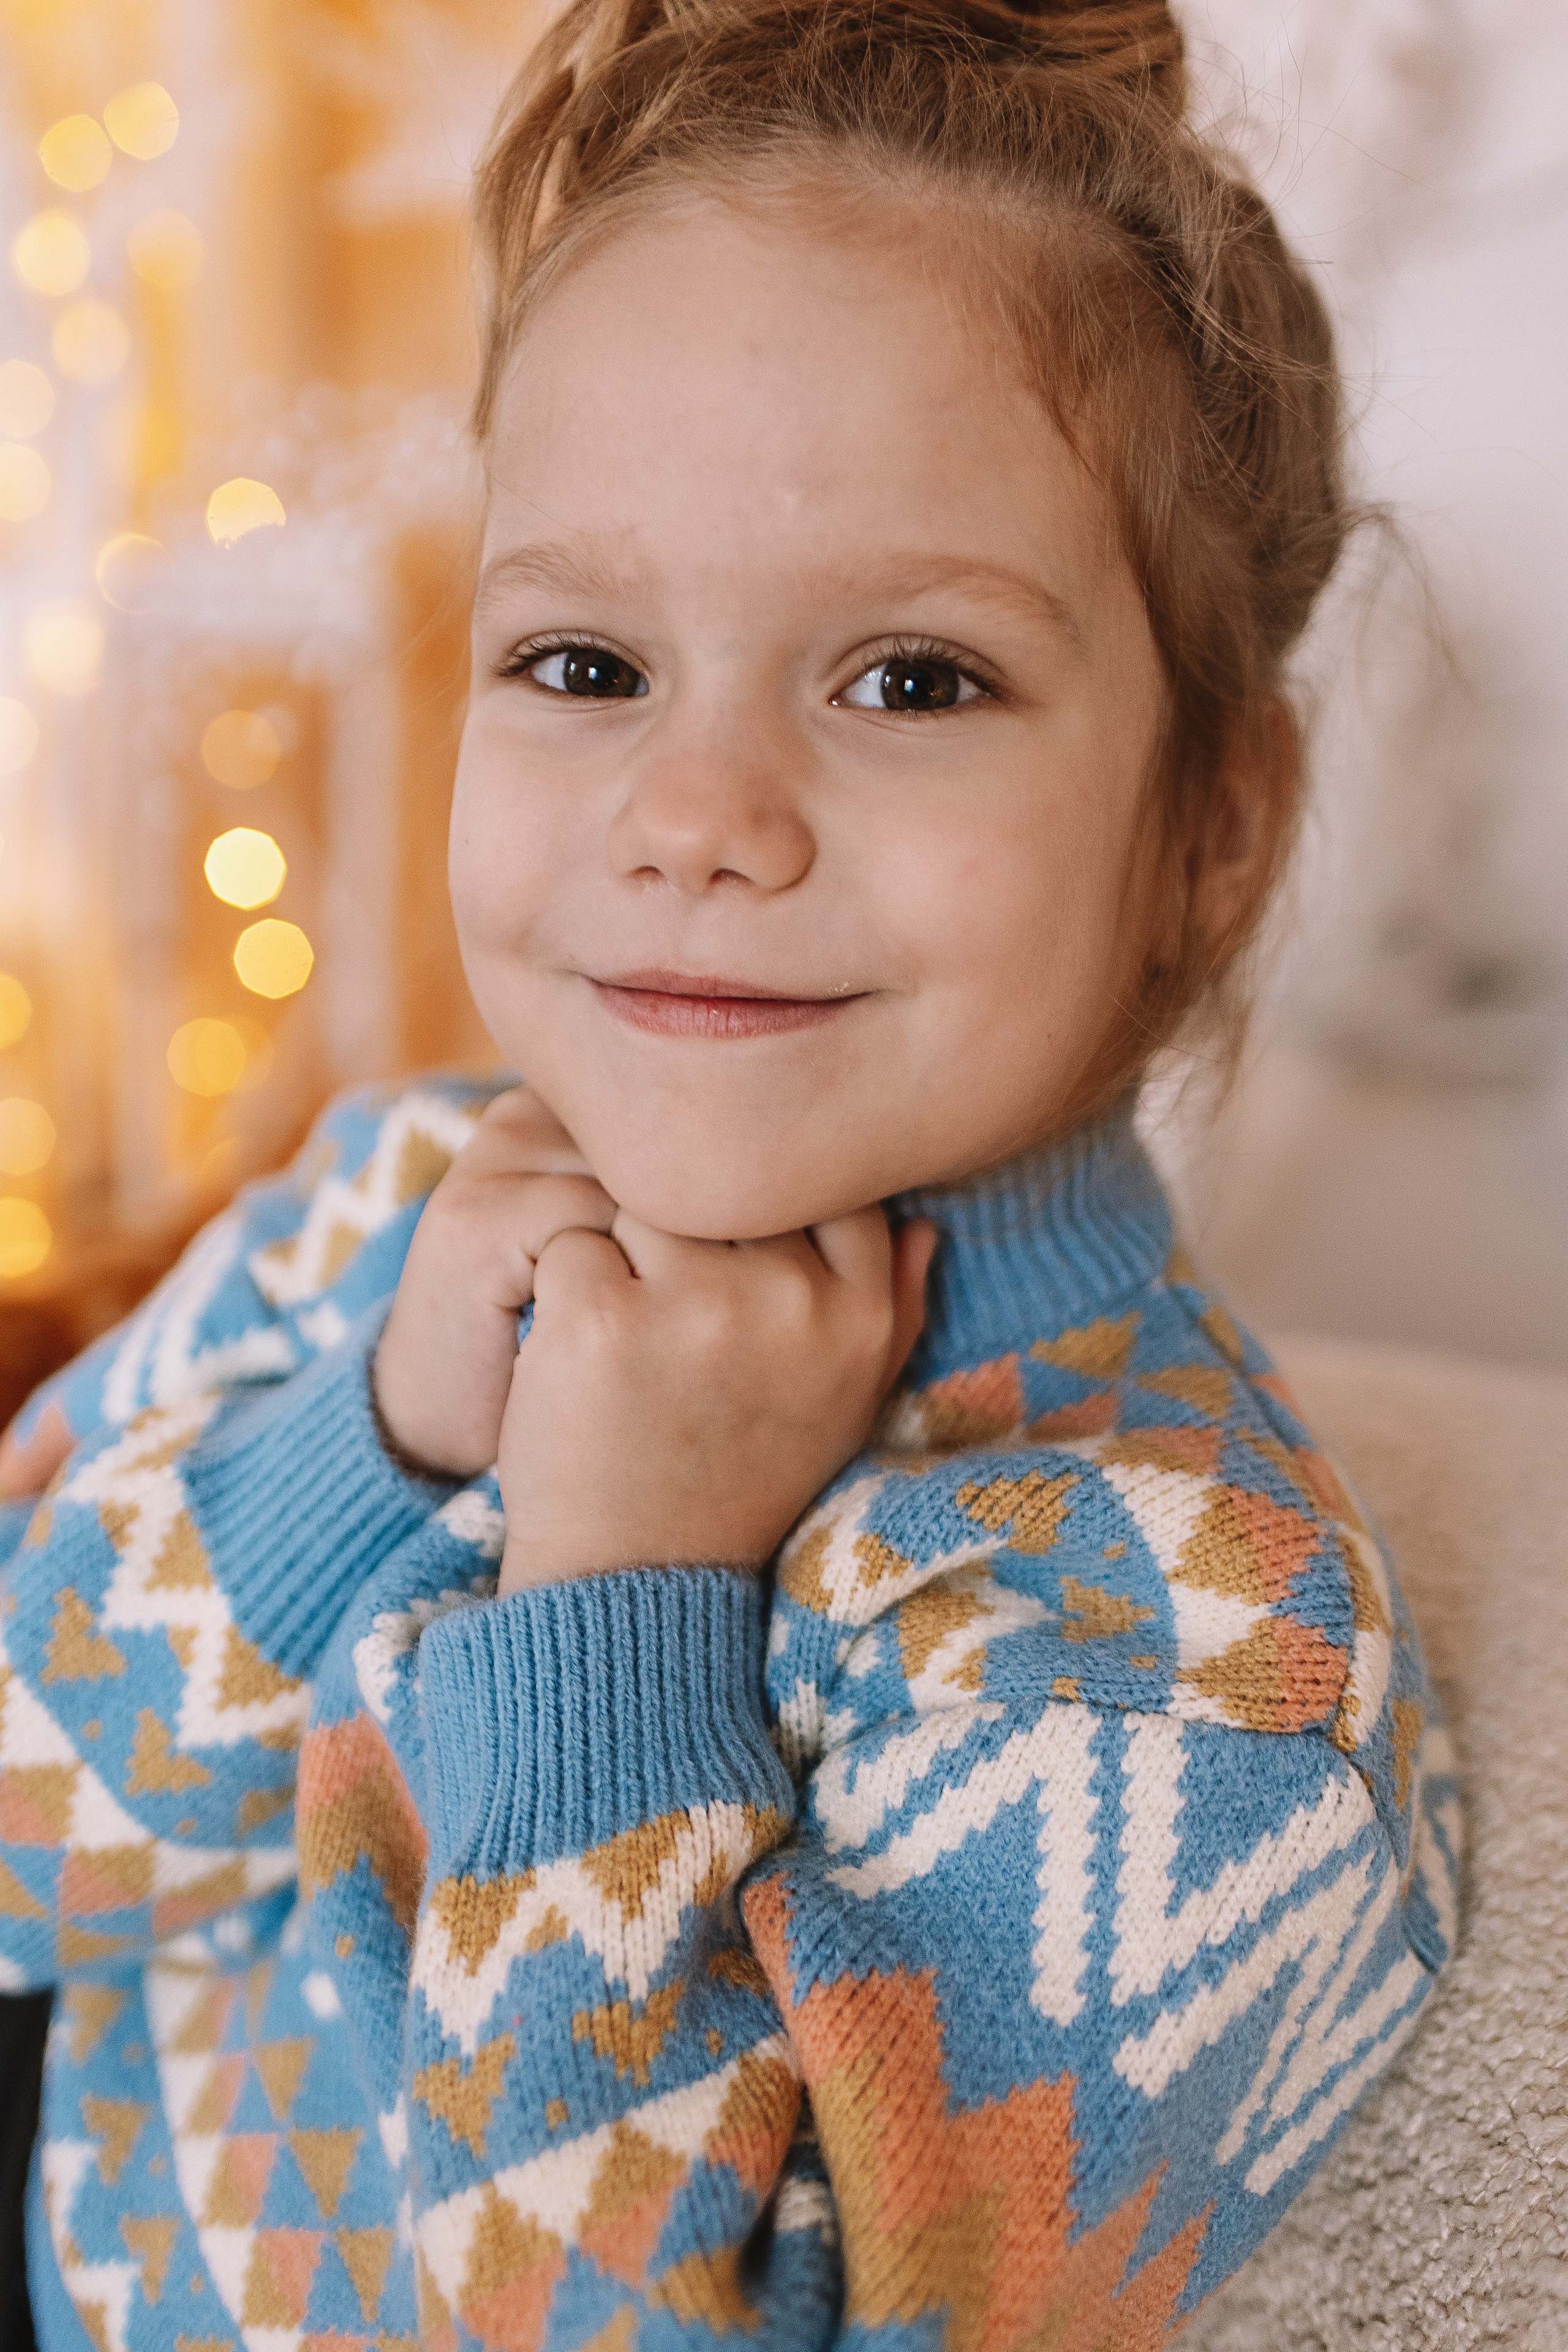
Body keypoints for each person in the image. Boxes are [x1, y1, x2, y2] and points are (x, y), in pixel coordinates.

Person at [0, 1, 1460, 2343]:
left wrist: (624, 1593)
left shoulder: (1200, 1658)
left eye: (911, 680)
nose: (693, 818)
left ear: (1214, 824)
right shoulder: (388, 1207)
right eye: (584, 663)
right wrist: (370, 1445)